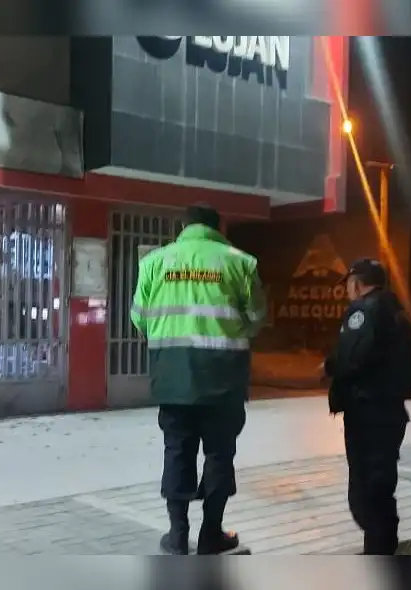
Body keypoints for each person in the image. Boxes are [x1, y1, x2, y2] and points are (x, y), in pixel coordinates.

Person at [130, 204, 266, 555]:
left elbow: (140, 319)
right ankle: (211, 535)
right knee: (219, 455)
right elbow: (256, 318)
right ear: (217, 227)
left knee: (177, 451)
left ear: (184, 227)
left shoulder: (154, 263)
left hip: (173, 377)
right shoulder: (240, 263)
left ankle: (177, 536)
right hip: (223, 378)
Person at [320, 258, 411, 554]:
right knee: (380, 487)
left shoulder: (363, 310)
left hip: (367, 412)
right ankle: (382, 547)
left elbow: (353, 356)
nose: (348, 291)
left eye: (349, 284)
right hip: (390, 410)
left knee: (366, 493)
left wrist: (328, 367)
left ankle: (378, 551)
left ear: (357, 282)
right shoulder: (397, 310)